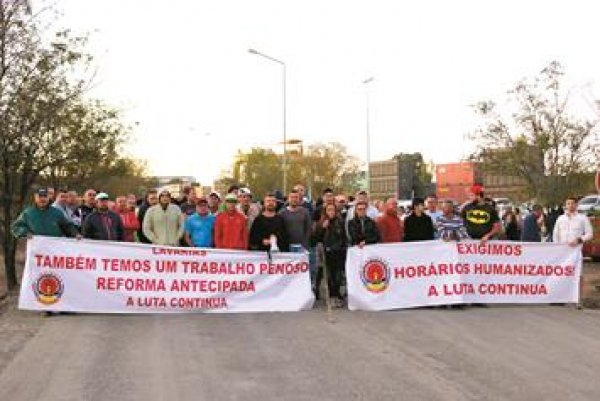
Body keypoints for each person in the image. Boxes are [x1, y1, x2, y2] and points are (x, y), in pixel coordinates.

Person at [552, 196, 593, 308]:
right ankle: (560, 298)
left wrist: (579, 239)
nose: (570, 206)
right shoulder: (560, 218)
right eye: (568, 203)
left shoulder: (582, 218)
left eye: (572, 203)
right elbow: (556, 234)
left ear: (576, 205)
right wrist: (556, 248)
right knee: (561, 274)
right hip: (562, 252)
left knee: (578, 275)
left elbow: (590, 234)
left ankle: (578, 300)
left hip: (575, 252)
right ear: (565, 205)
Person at [12, 188, 80, 239]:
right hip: (36, 249)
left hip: (53, 250)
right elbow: (16, 226)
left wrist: (75, 234)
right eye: (40, 196)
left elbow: (67, 225)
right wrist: (25, 233)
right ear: (35, 198)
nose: (43, 199)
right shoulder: (28, 212)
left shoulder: (56, 212)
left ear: (48, 198)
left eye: (45, 196)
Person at [314, 203, 347, 305]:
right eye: (329, 210)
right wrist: (323, 228)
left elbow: (343, 237)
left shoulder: (340, 222)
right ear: (325, 211)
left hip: (338, 252)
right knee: (328, 276)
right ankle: (331, 296)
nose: (331, 212)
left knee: (338, 276)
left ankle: (337, 294)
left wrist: (340, 247)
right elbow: (317, 238)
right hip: (326, 253)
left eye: (333, 210)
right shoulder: (321, 223)